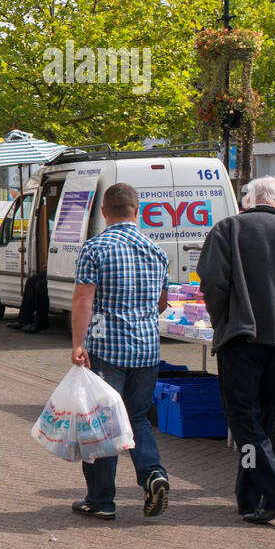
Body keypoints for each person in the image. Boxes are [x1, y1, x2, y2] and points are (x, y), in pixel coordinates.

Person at [197, 175, 275, 523]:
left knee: (243, 419)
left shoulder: (228, 229)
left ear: (246, 201)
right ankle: (249, 496)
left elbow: (212, 281)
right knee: (261, 420)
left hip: (243, 337)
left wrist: (220, 320)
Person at [70, 182, 170, 521]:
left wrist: (78, 343)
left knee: (102, 424)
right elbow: (161, 303)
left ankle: (101, 500)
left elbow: (84, 298)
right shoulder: (157, 251)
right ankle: (153, 474)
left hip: (107, 350)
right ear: (137, 210)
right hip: (147, 350)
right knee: (138, 418)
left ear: (104, 212)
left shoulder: (95, 248)